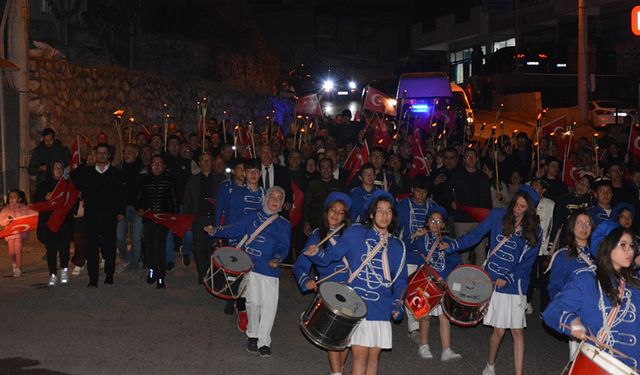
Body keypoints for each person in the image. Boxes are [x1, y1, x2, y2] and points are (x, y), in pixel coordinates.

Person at [305, 190, 407, 375]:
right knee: (359, 358)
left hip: (381, 306)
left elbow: (400, 280)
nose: (384, 215)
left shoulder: (398, 246)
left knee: (373, 361)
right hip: (357, 304)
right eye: (380, 210)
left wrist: (397, 303)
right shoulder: (355, 233)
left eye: (389, 211)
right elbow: (330, 257)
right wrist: (316, 254)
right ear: (371, 213)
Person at [442, 186, 541, 375]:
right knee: (499, 331)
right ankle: (490, 365)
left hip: (516, 284)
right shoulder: (498, 216)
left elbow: (527, 263)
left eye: (523, 207)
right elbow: (475, 235)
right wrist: (452, 245)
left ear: (530, 210)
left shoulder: (535, 231)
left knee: (518, 331)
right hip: (492, 280)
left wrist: (509, 278)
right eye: (516, 204)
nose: (517, 210)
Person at [205, 186, 291, 358]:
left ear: (282, 203)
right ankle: (253, 335)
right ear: (265, 198)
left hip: (269, 270)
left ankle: (264, 342)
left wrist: (277, 258)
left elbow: (284, 246)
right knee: (252, 303)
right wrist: (215, 231)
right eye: (272, 197)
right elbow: (234, 229)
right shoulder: (253, 217)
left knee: (269, 307)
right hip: (251, 267)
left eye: (279, 198)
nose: (275, 201)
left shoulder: (283, 225)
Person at [543, 226, 640, 370]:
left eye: (632, 246)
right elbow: (553, 311)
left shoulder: (635, 284)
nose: (630, 250)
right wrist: (572, 321)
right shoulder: (586, 279)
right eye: (623, 245)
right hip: (599, 365)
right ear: (607, 246)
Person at [293, 192, 352, 375]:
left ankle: (338, 369)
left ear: (345, 216)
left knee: (348, 336)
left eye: (341, 212)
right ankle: (336, 373)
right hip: (329, 290)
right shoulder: (317, 236)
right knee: (334, 337)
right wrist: (306, 281)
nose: (335, 215)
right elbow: (300, 265)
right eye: (333, 210)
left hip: (351, 288)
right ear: (326, 213)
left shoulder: (350, 235)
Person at [409, 208, 462, 361]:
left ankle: (447, 349)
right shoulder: (421, 238)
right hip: (425, 282)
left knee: (444, 316)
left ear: (444, 224)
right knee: (424, 316)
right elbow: (407, 247)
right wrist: (414, 235)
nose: (434, 223)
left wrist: (452, 280)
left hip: (442, 283)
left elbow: (456, 263)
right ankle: (423, 346)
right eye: (432, 220)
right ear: (427, 222)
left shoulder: (449, 242)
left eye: (438, 221)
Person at [546, 210, 594, 358]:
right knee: (578, 362)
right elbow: (554, 288)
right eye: (579, 223)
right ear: (572, 227)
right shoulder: (563, 255)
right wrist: (566, 313)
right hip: (579, 316)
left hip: (598, 317)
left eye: (587, 223)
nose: (584, 227)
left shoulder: (599, 255)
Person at [81, 144, 125, 287]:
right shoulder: (87, 173)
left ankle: (109, 274)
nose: (101, 155)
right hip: (92, 215)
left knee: (109, 246)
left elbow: (120, 195)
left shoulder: (116, 174)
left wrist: (120, 212)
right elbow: (76, 184)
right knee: (91, 247)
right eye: (98, 153)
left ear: (108, 156)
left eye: (104, 153)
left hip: (109, 215)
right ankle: (93, 278)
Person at [135, 155, 177, 289]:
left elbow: (174, 199)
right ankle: (151, 270)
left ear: (164, 166)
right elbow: (138, 197)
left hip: (163, 219)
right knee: (149, 247)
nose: (157, 166)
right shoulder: (143, 180)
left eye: (160, 163)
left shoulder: (170, 180)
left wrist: (173, 217)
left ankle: (161, 276)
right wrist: (140, 208)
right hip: (148, 218)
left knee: (160, 247)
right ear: (150, 165)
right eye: (154, 163)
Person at [183, 152, 225, 283]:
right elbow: (187, 201)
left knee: (213, 248)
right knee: (199, 248)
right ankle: (202, 273)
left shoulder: (221, 178)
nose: (206, 163)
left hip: (215, 219)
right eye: (203, 160)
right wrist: (188, 220)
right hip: (199, 218)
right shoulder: (193, 180)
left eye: (208, 160)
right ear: (199, 163)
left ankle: (213, 273)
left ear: (212, 163)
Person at [34, 160, 75, 287]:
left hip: (64, 222)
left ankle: (64, 270)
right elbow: (37, 203)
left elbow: (72, 200)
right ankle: (52, 275)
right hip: (49, 223)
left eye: (61, 168)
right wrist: (46, 198)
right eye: (56, 168)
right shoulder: (44, 185)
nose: (58, 170)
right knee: (51, 250)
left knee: (64, 249)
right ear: (51, 170)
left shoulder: (68, 184)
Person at [449, 148, 492, 265]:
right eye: (468, 156)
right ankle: (462, 279)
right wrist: (452, 202)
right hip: (462, 220)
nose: (471, 159)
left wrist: (488, 218)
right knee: (463, 253)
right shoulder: (456, 176)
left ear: (477, 159)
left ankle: (480, 281)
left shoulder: (483, 177)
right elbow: (449, 194)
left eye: (473, 156)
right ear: (464, 160)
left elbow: (488, 200)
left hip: (479, 221)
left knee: (481, 252)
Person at [116, 143, 144, 272]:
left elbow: (145, 192)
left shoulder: (143, 170)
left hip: (138, 209)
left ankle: (134, 264)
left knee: (136, 238)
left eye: (131, 151)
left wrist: (143, 207)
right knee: (119, 237)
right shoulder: (118, 169)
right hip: (122, 208)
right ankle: (126, 258)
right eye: (125, 151)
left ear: (137, 154)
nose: (127, 154)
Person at [302, 158, 342, 235]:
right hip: (315, 225)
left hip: (335, 224)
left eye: (328, 167)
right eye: (323, 167)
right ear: (319, 169)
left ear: (332, 169)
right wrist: (305, 223)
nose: (326, 169)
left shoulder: (339, 185)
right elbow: (306, 206)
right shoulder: (312, 185)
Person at [0, 190, 31, 277]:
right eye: (11, 197)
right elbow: (1, 221)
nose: (12, 198)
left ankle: (18, 267)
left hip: (19, 233)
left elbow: (28, 218)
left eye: (14, 196)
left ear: (20, 198)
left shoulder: (24, 208)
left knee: (18, 250)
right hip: (10, 234)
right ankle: (14, 264)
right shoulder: (5, 209)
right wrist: (7, 220)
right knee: (11, 252)